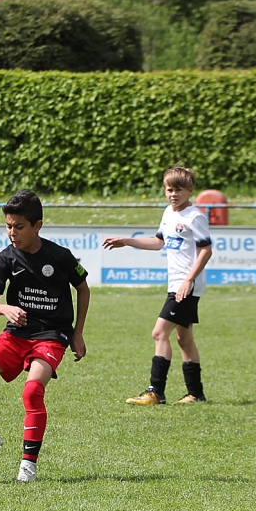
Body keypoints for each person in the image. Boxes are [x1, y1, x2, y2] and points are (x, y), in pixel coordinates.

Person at [0, 190, 90, 483]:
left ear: (37, 226)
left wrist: (77, 332)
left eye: (19, 226)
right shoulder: (6, 257)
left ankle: (28, 466)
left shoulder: (60, 256)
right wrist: (5, 309)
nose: (12, 232)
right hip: (16, 334)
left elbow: (83, 288)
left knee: (32, 391)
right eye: (8, 226)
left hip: (51, 336)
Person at [102, 166, 212, 405]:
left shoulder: (194, 217)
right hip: (177, 283)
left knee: (159, 333)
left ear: (190, 190)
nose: (174, 194)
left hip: (186, 285)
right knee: (184, 338)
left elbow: (206, 250)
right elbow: (158, 242)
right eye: (169, 189)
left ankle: (156, 393)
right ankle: (196, 394)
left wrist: (188, 280)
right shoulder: (169, 213)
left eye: (179, 190)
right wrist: (127, 241)